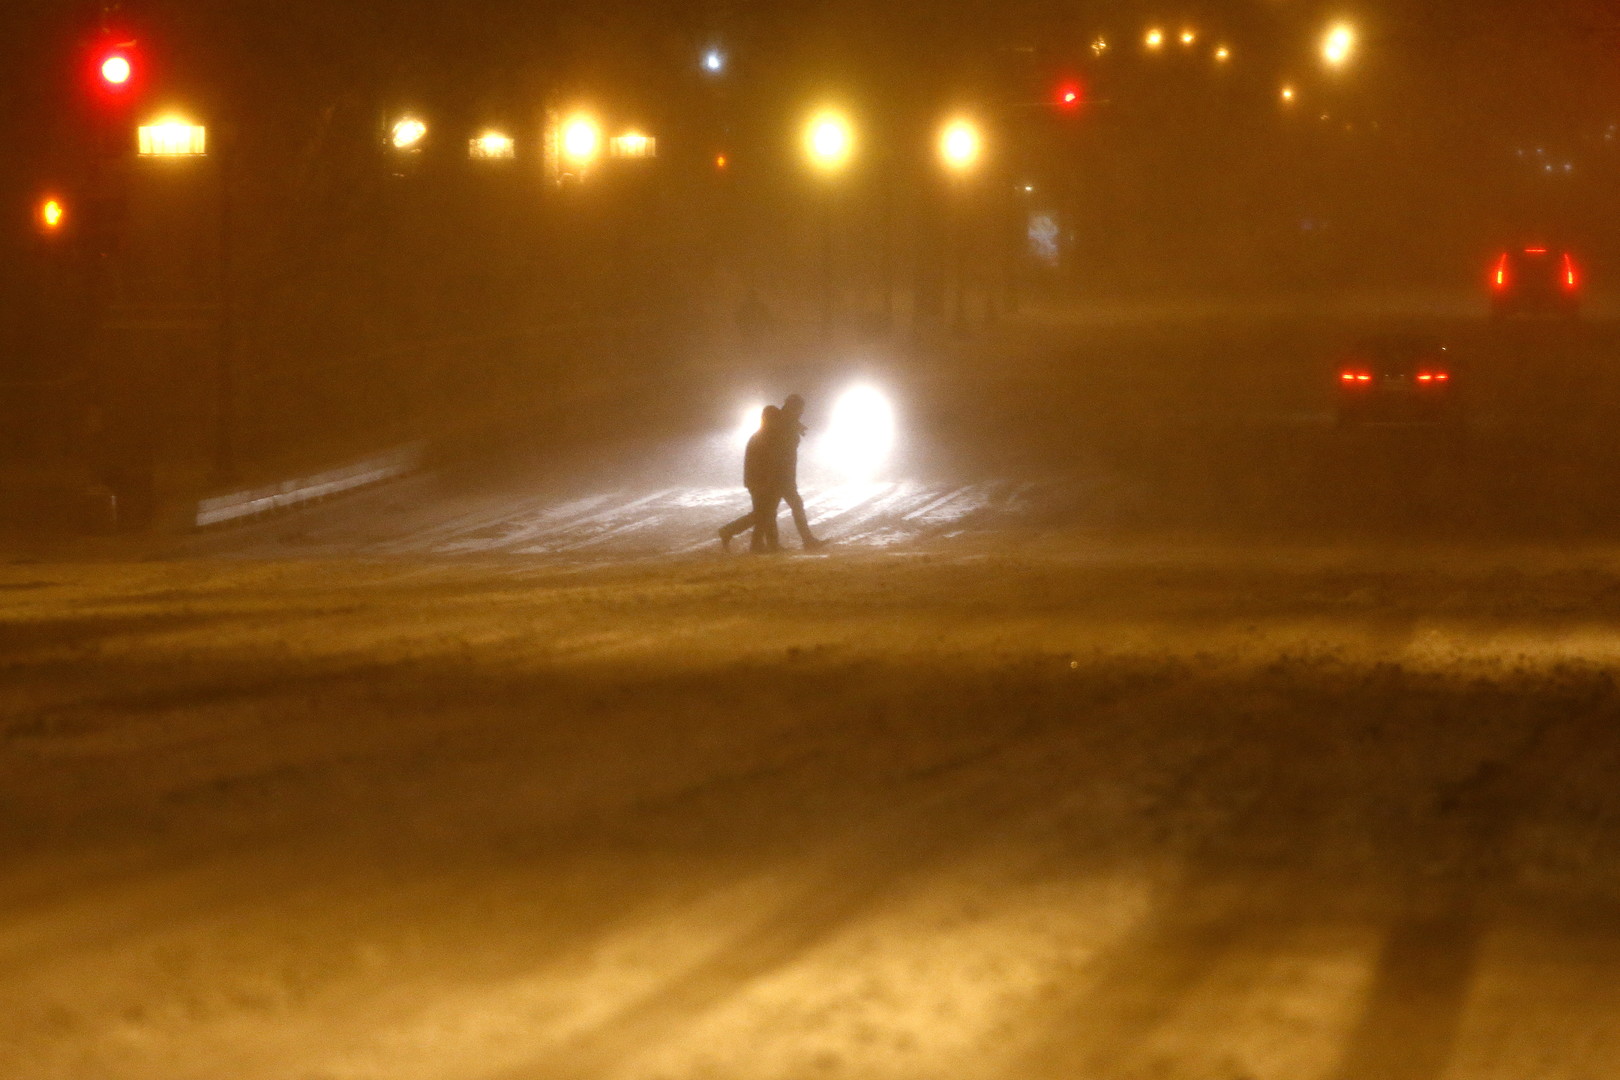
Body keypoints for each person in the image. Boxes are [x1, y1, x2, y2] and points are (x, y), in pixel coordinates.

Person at [718, 406, 784, 553]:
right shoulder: (765, 437)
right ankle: (730, 532)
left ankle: (767, 544)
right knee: (763, 514)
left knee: (766, 513)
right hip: (761, 482)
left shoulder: (760, 436)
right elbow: (763, 463)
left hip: (756, 481)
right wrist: (766, 481)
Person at [777, 394, 825, 549]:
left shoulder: (787, 420)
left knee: (765, 512)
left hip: (783, 472)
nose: (802, 412)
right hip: (780, 473)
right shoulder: (783, 422)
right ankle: (808, 540)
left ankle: (731, 532)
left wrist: (798, 426)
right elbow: (782, 447)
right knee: (795, 505)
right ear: (793, 407)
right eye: (800, 409)